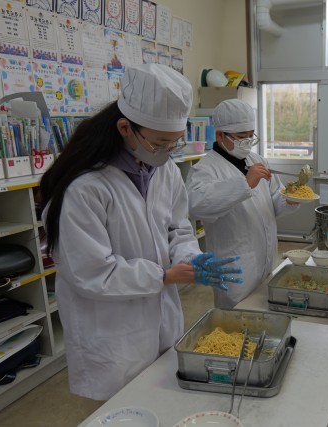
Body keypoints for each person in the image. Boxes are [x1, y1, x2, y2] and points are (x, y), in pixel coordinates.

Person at [40, 64, 241, 401]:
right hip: (110, 329)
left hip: (160, 314)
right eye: (160, 142)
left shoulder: (165, 171)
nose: (167, 152)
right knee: (119, 410)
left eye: (174, 143)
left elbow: (177, 228)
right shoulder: (86, 187)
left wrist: (190, 259)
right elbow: (91, 271)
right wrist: (163, 275)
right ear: (125, 128)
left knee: (160, 400)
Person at [186, 99, 300, 309]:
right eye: (241, 137)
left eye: (251, 135)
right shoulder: (205, 169)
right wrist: (244, 184)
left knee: (266, 312)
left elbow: (274, 203)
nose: (247, 141)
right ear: (219, 135)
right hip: (235, 269)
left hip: (267, 259)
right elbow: (197, 206)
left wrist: (290, 199)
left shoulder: (257, 160)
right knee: (237, 320)